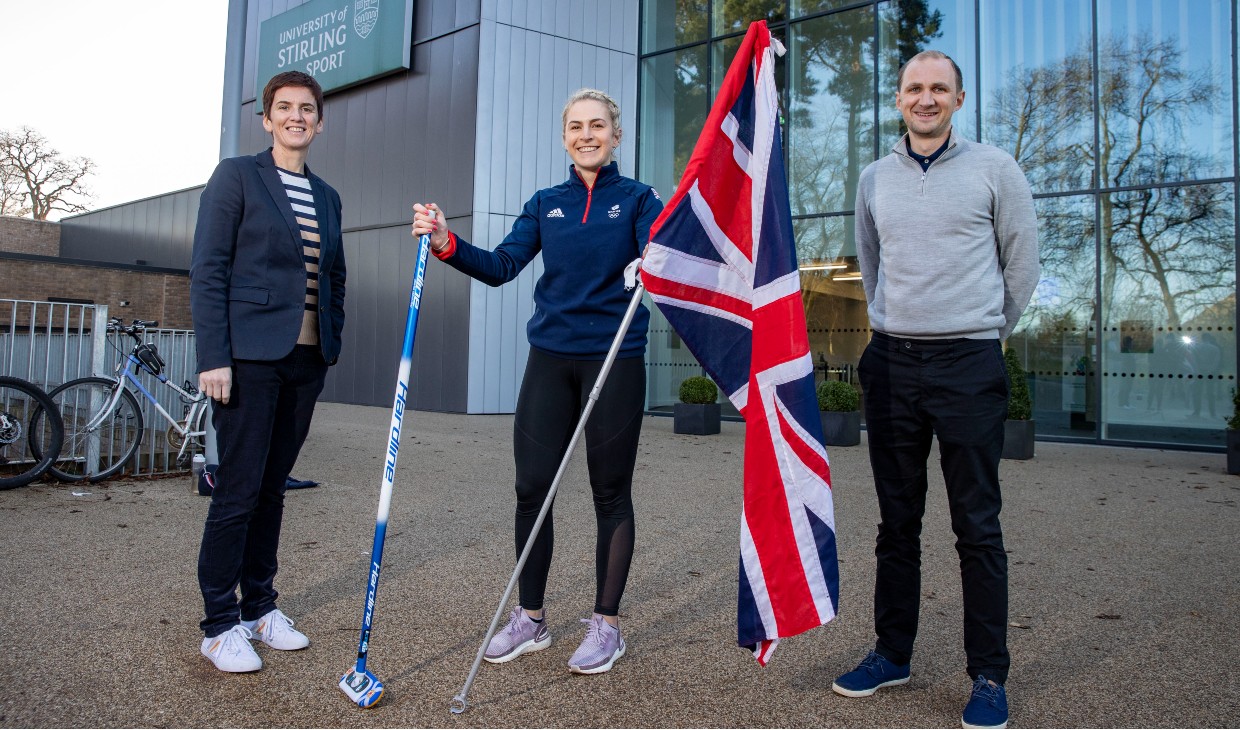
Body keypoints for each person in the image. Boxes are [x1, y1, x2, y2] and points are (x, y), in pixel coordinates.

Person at [411, 88, 661, 675]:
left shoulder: (640, 199)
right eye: (576, 126)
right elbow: (501, 267)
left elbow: (660, 258)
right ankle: (531, 618)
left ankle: (606, 625)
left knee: (610, 492)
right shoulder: (545, 203)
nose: (586, 135)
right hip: (551, 358)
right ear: (565, 137)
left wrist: (659, 256)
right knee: (531, 489)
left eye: (597, 125)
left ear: (616, 134)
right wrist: (446, 242)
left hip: (614, 358)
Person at [832, 51, 1039, 730]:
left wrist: (985, 331)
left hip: (968, 364)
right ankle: (893, 654)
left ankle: (989, 675)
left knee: (976, 525)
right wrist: (896, 325)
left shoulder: (995, 169)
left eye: (939, 89)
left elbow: (1022, 264)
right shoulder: (874, 178)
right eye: (915, 88)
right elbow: (871, 265)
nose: (926, 98)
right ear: (899, 99)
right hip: (892, 364)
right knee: (897, 523)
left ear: (959, 99)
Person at [190, 71, 346, 673]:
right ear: (267, 118)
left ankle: (259, 607)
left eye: (307, 109)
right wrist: (214, 356)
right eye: (285, 108)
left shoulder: (328, 196)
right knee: (238, 490)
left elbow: (334, 276)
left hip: (305, 362)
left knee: (273, 489)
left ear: (320, 122)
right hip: (248, 360)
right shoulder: (237, 176)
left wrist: (329, 343)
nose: (296, 117)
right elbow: (209, 269)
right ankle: (218, 624)